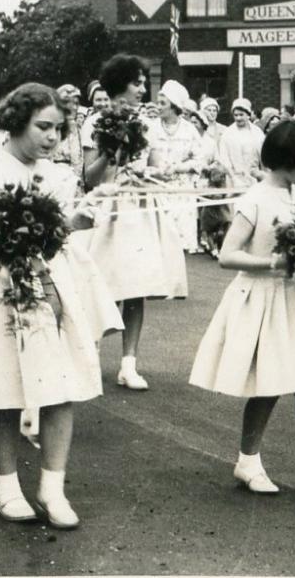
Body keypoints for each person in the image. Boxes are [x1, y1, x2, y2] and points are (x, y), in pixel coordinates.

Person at [0, 83, 122, 529]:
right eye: (43, 126)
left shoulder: (58, 174)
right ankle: (7, 489)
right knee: (4, 390)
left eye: (59, 129)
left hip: (49, 284)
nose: (52, 137)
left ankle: (52, 488)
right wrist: (11, 237)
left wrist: (71, 223)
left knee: (61, 388)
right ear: (17, 120)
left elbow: (56, 232)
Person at [189, 120, 295, 501]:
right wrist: (273, 263)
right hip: (265, 297)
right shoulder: (255, 199)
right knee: (266, 386)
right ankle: (248, 460)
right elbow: (227, 255)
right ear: (287, 159)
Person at [82, 54, 187, 390]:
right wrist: (111, 152)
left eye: (144, 83)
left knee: (136, 288)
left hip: (138, 209)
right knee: (104, 285)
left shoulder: (146, 123)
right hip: (107, 209)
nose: (143, 89)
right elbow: (89, 177)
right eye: (137, 83)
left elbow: (156, 164)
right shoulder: (94, 123)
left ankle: (129, 364)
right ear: (119, 85)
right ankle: (89, 356)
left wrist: (156, 171)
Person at [147, 79, 203, 252]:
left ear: (174, 106)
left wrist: (179, 168)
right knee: (159, 244)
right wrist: (155, 171)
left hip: (183, 192)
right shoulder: (151, 128)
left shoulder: (189, 130)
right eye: (158, 102)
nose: (159, 106)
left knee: (180, 246)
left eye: (163, 103)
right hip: (158, 190)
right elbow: (142, 158)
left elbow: (200, 160)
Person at [217, 98, 265, 188]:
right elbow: (224, 159)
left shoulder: (257, 132)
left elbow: (263, 156)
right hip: (234, 179)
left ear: (248, 115)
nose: (238, 118)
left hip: (253, 178)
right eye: (236, 115)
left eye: (241, 115)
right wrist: (234, 178)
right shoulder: (227, 133)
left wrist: (261, 176)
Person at [52, 84, 84, 189]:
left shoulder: (79, 130)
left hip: (74, 182)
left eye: (76, 103)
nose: (72, 107)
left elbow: (79, 161)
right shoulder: (51, 129)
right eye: (66, 102)